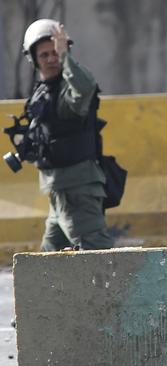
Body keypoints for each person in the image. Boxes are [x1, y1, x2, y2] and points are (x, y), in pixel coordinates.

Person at [21, 19, 113, 251]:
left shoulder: (68, 89)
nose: (52, 59)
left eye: (56, 53)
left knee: (97, 255)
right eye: (45, 55)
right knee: (48, 264)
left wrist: (66, 59)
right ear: (33, 59)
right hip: (58, 191)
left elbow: (84, 89)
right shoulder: (44, 91)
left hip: (78, 191)